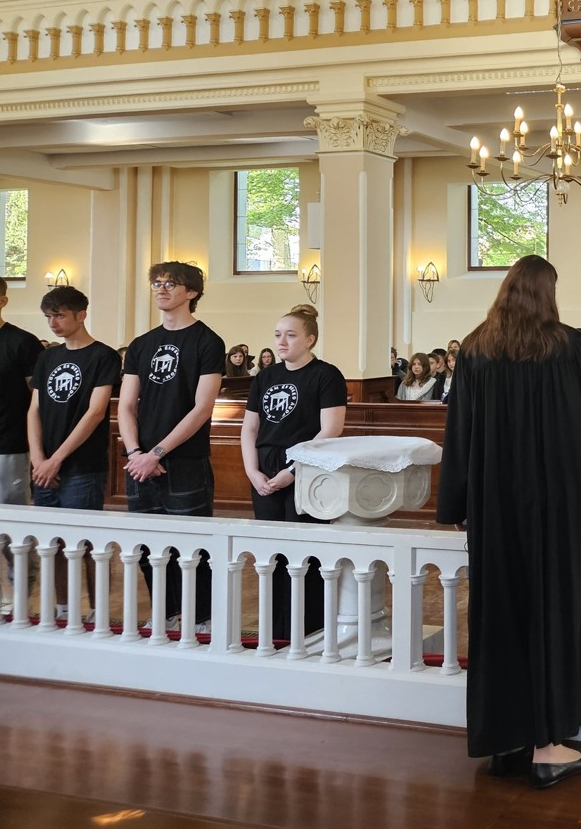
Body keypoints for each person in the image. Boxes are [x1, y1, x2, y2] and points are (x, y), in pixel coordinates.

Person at [435, 256, 581, 788]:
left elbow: (459, 433)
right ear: (548, 293)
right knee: (553, 611)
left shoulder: (474, 348)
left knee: (502, 615)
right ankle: (547, 747)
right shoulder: (564, 343)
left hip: (495, 508)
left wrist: (457, 505)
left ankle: (506, 741)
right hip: (555, 506)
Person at [117, 261, 225, 634]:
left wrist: (158, 453)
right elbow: (126, 405)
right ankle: (164, 611)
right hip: (139, 462)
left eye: (171, 284)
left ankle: (200, 618)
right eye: (157, 283)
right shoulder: (141, 344)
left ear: (191, 292)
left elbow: (202, 408)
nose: (161, 289)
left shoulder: (207, 341)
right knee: (149, 547)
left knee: (191, 547)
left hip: (184, 460)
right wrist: (136, 453)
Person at [239, 304, 347, 643]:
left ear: (309, 339)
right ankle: (277, 630)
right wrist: (252, 471)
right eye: (277, 335)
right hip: (265, 468)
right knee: (273, 553)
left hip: (307, 468)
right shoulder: (265, 377)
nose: (281, 342)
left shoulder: (326, 375)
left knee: (304, 552)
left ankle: (309, 630)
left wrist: (294, 470)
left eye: (290, 335)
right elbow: (250, 428)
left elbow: (330, 430)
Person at [26, 285, 121, 621]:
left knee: (87, 542)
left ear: (81, 315)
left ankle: (98, 611)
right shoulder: (47, 357)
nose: (53, 323)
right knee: (53, 543)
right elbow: (34, 410)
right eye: (48, 316)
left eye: (59, 315)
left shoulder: (103, 356)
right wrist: (38, 458)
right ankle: (64, 607)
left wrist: (56, 459)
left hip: (82, 466)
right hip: (45, 465)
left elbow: (95, 412)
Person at [0, 274, 42, 517]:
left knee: (9, 518)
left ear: (2, 301)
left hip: (7, 445)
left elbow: (38, 398)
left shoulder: (22, 342)